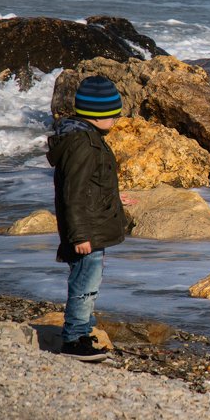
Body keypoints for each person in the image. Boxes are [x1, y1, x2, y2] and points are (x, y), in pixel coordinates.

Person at [46, 75, 129, 362]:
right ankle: (73, 339)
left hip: (90, 227)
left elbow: (92, 185)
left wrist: (115, 198)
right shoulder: (83, 144)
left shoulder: (88, 138)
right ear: (98, 114)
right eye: (113, 114)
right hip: (86, 232)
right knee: (84, 285)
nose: (117, 119)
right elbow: (74, 192)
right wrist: (79, 234)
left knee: (88, 283)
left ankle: (82, 332)